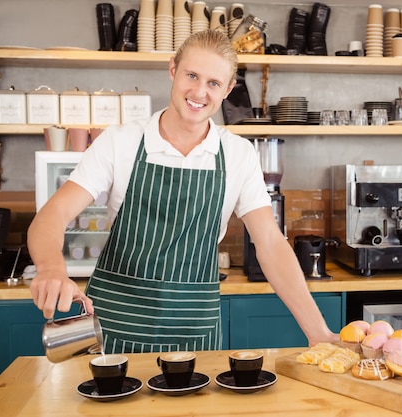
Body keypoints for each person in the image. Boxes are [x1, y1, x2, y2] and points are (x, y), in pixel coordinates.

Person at [27, 29, 339, 353]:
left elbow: (271, 244)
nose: (199, 92)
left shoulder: (237, 154)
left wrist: (318, 331)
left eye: (214, 83)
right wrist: (51, 268)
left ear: (228, 88)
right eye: (192, 75)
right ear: (173, 69)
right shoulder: (121, 141)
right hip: (112, 329)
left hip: (195, 337)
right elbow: (53, 215)